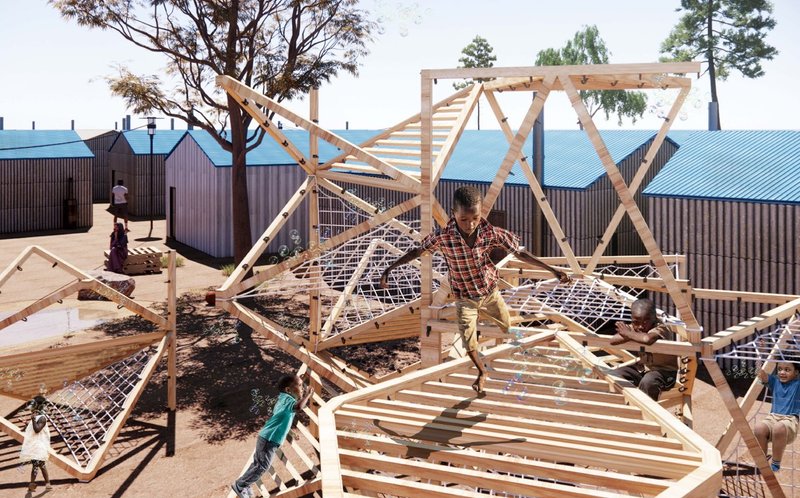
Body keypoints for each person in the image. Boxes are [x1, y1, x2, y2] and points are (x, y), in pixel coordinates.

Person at [379, 186, 570, 394]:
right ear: (454, 214)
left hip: (489, 293)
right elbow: (417, 251)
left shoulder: (490, 233)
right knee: (468, 340)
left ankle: (517, 353)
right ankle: (482, 372)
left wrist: (552, 270)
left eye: (475, 218)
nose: (470, 224)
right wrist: (389, 268)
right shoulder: (443, 237)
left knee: (506, 326)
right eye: (464, 219)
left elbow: (520, 254)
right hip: (465, 298)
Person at [231, 371, 313, 498]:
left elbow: (280, 419)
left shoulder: (283, 398)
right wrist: (307, 395)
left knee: (257, 464)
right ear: (288, 389)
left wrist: (289, 432)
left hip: (267, 437)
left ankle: (244, 485)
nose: (303, 388)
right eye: (300, 386)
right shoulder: (288, 400)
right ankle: (240, 486)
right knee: (263, 466)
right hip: (269, 439)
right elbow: (299, 407)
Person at [609, 298, 677, 401]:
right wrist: (630, 333)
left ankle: (645, 411)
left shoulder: (661, 328)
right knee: (617, 374)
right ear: (632, 319)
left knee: (648, 382)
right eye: (636, 322)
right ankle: (623, 405)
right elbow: (613, 340)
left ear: (654, 319)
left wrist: (628, 334)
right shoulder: (634, 328)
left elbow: (647, 339)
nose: (640, 326)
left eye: (645, 322)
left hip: (665, 373)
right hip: (644, 369)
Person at [754, 359, 800, 472]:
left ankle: (776, 463)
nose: (782, 372)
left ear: (796, 373)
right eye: (779, 369)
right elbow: (761, 374)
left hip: (789, 420)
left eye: (787, 370)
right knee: (758, 428)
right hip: (773, 417)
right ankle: (762, 460)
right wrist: (761, 353)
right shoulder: (775, 381)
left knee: (778, 427)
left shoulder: (798, 384)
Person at [19, 396, 51, 492]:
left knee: (36, 465)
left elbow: (37, 430)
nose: (31, 406)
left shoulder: (42, 418)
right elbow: (32, 429)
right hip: (34, 445)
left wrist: (32, 420)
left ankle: (32, 485)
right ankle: (47, 484)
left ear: (38, 406)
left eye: (33, 404)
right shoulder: (37, 417)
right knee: (41, 465)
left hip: (39, 445)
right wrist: (26, 424)